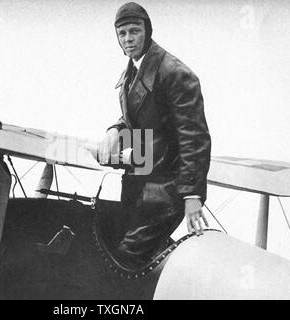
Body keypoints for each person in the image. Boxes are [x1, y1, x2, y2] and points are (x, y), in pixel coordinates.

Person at [98, 2, 211, 268]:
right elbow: (143, 118)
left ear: (147, 31)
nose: (128, 39)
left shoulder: (175, 74)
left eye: (134, 31)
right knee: (121, 255)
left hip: (166, 192)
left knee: (123, 261)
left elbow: (194, 138)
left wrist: (192, 196)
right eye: (122, 33)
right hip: (139, 186)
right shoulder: (134, 69)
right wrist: (116, 129)